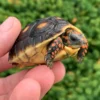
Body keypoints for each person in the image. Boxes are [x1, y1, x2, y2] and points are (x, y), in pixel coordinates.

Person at [0, 17, 65, 100]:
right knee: (58, 41)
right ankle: (49, 56)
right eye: (73, 40)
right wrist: (49, 57)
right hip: (31, 47)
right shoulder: (58, 40)